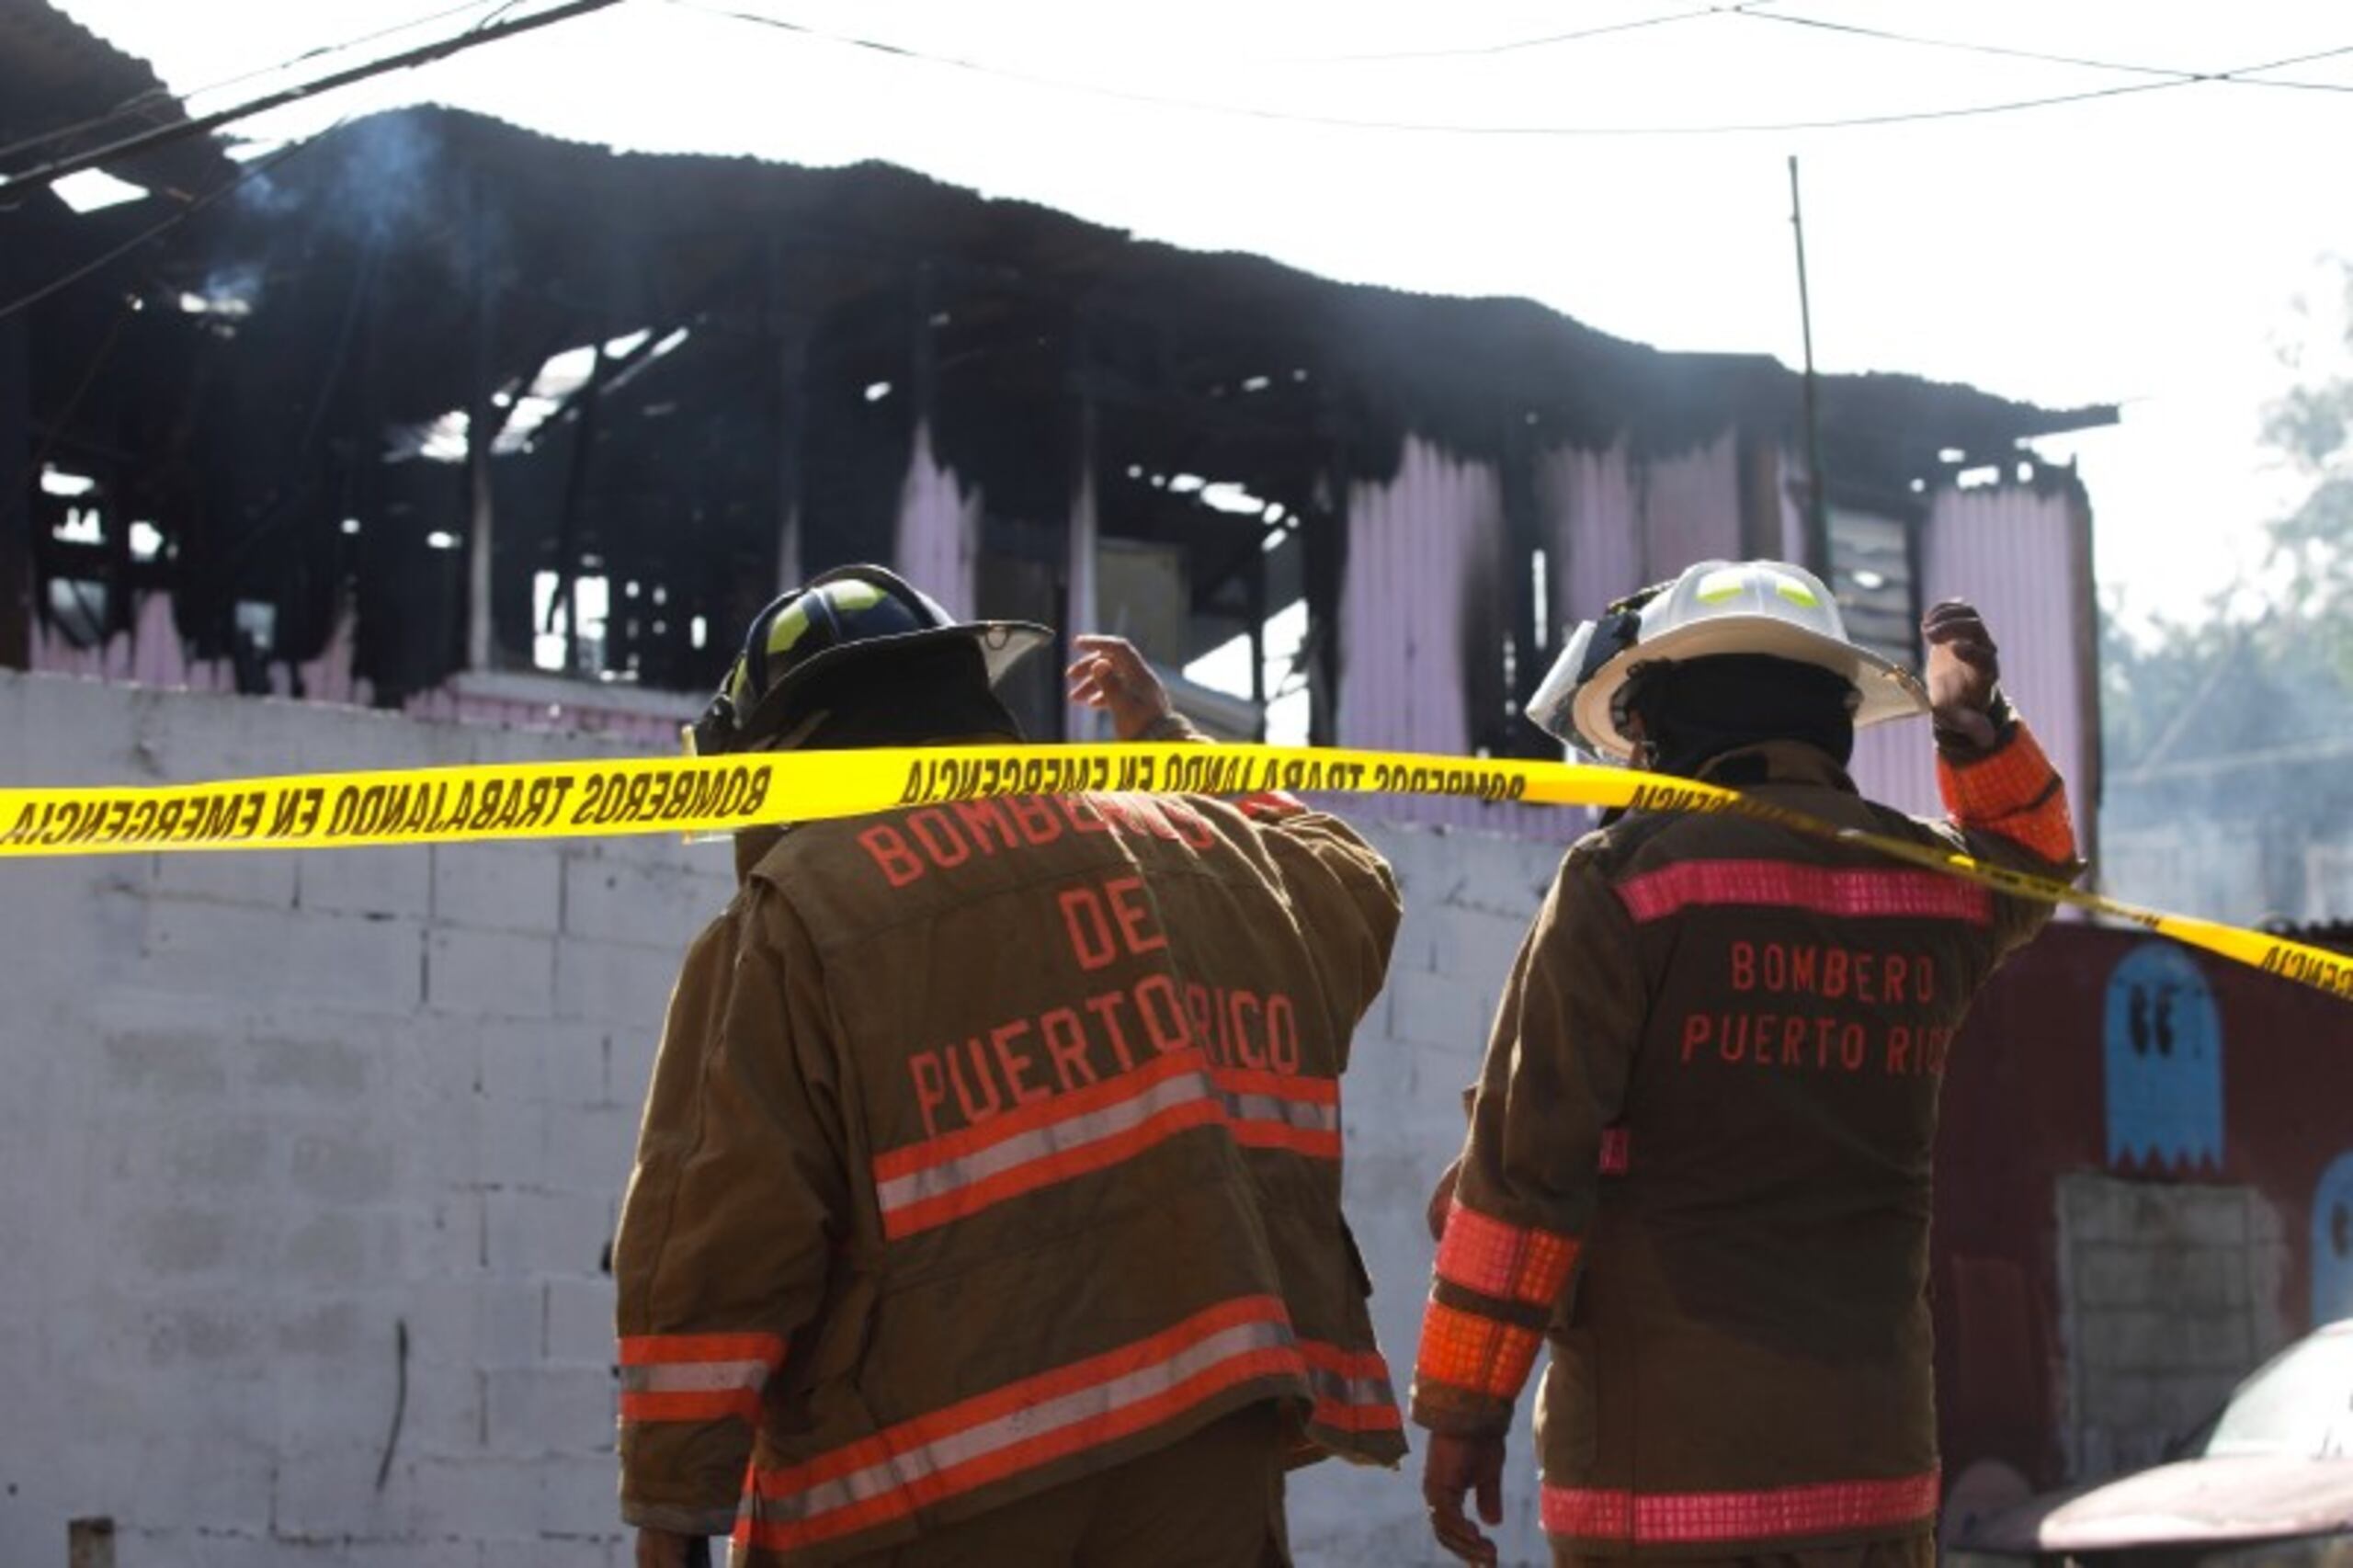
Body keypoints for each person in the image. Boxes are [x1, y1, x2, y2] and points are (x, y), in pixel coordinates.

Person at [615, 564, 1405, 1568]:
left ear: (778, 751)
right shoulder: (1187, 842)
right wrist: (1170, 748)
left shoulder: (794, 918)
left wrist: (671, 1508)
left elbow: (719, 1238)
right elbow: (1353, 884)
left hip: (927, 1479)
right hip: (1201, 1441)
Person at [1411, 560, 2081, 1567]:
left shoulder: (1623, 880)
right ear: (1827, 714)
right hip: (1876, 1484)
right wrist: (1976, 732)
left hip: (1663, 1497)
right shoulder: (1932, 888)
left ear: (1673, 718)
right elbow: (2036, 864)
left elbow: (1523, 1177)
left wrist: (1466, 1407)